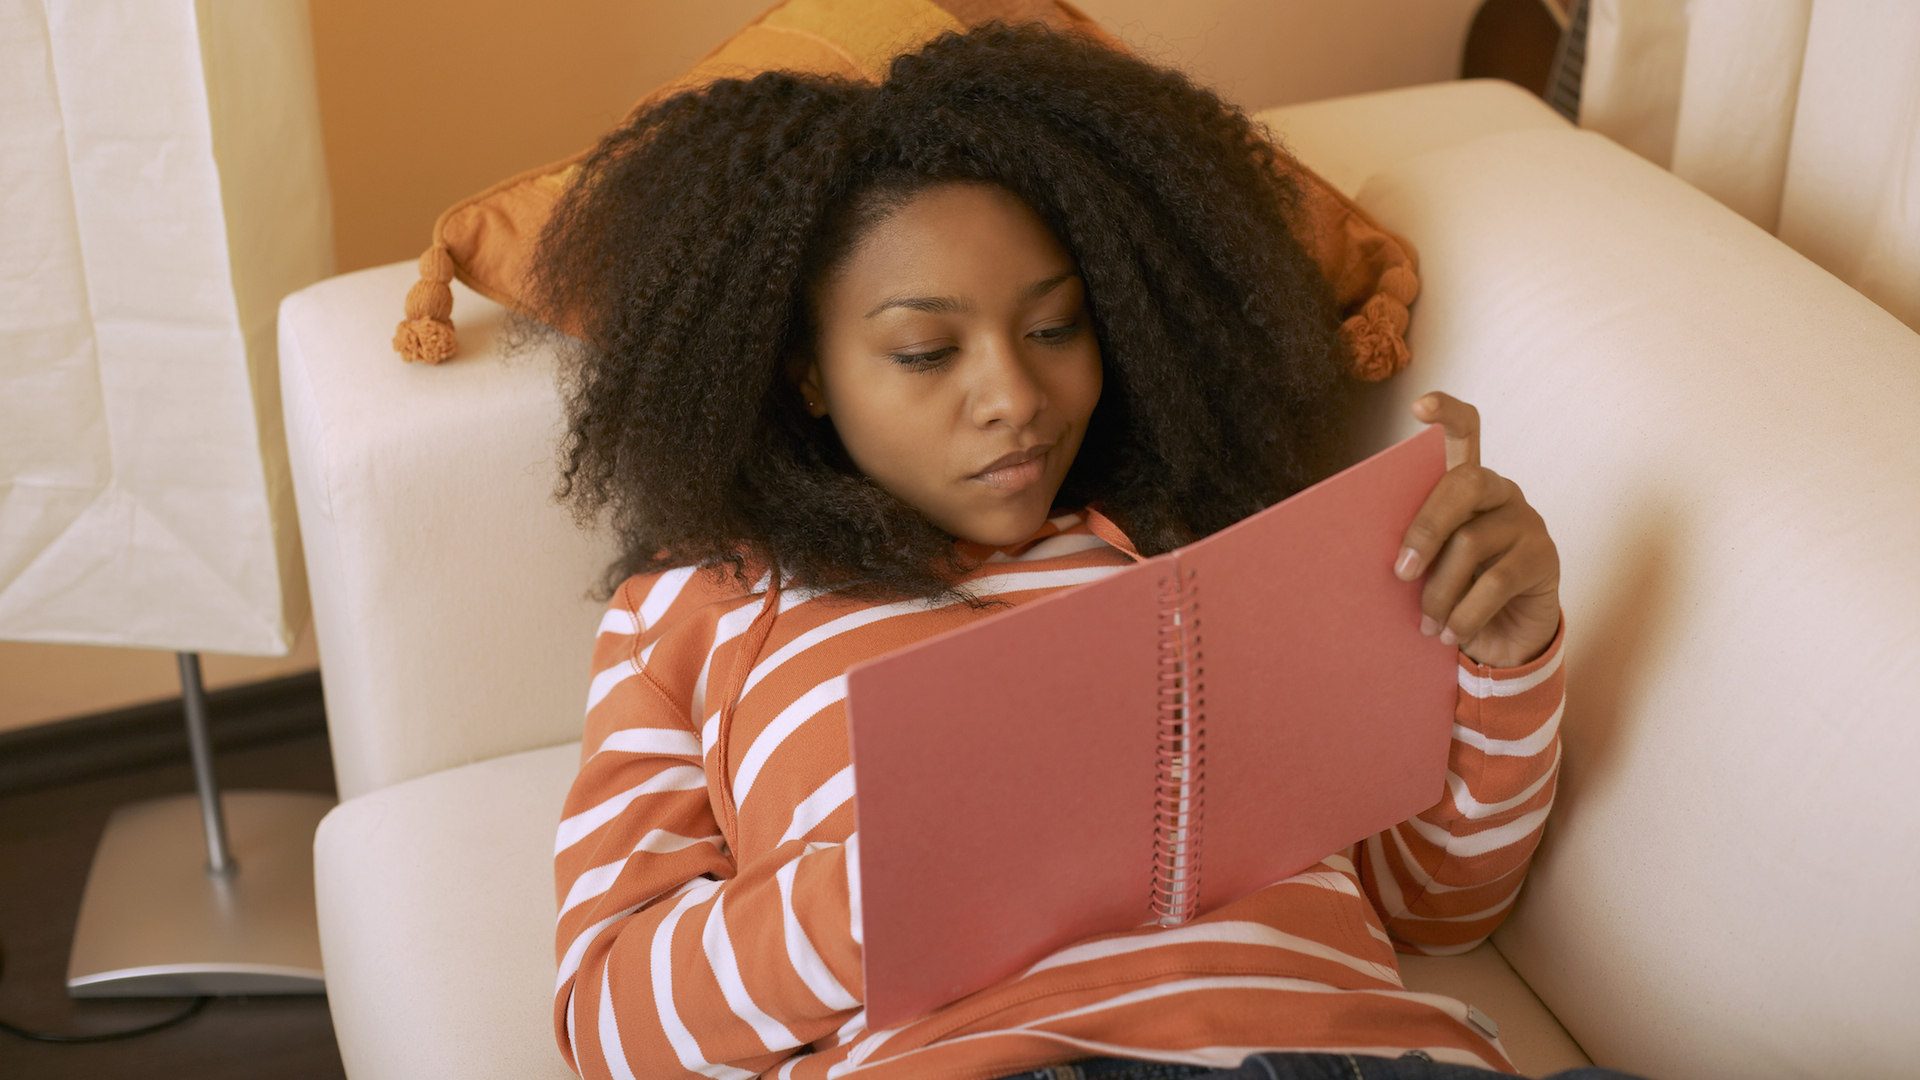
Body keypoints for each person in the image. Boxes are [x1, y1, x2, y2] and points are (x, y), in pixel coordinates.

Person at [530, 22, 1606, 1080]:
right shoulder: (697, 607)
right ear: (806, 374)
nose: (1015, 399)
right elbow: (618, 1029)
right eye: (925, 351)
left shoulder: (1203, 548)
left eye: (1054, 329)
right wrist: (898, 881)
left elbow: (1433, 906)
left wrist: (1506, 663)